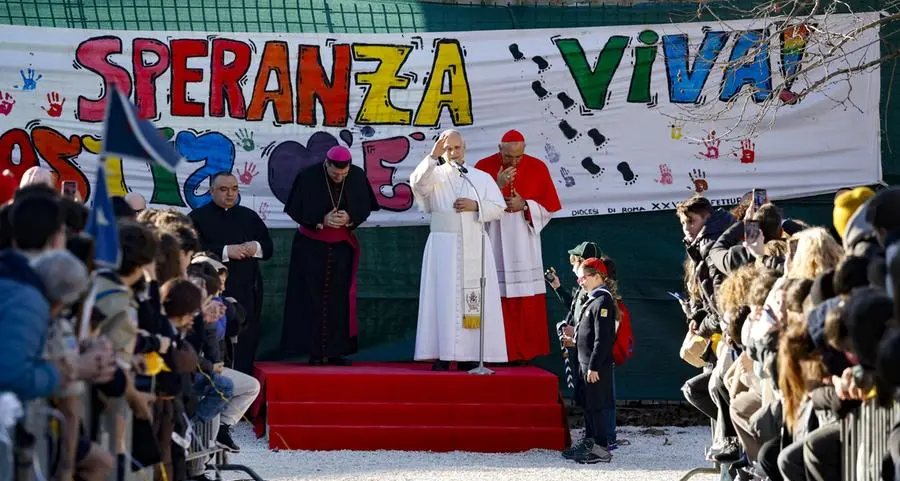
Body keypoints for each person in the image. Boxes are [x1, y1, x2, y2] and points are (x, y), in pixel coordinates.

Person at [410, 129, 508, 371]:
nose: (453, 153)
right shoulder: (434, 174)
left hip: (474, 241)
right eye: (448, 149)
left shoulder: (480, 177)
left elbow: (499, 208)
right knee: (442, 297)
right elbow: (418, 185)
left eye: (457, 148)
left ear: (465, 148)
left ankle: (470, 354)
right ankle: (443, 354)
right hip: (443, 246)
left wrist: (476, 205)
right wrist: (433, 157)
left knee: (471, 300)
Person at [280, 146, 380, 366]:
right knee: (310, 297)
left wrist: (350, 217)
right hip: (311, 246)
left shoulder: (355, 176)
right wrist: (320, 219)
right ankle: (314, 351)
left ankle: (336, 351)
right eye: (335, 173)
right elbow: (295, 208)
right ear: (327, 164)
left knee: (339, 298)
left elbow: (364, 205)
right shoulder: (308, 177)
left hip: (342, 246)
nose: (339, 177)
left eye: (343, 174)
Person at [475, 130, 561, 364]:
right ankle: (490, 352)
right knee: (493, 294)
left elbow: (550, 208)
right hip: (493, 236)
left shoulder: (538, 167)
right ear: (499, 148)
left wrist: (525, 205)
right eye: (509, 157)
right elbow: (471, 204)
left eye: (519, 157)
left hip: (524, 240)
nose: (514, 162)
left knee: (524, 299)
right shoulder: (483, 166)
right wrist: (496, 185)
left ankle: (523, 352)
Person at [189, 172, 273, 375]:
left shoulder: (249, 216)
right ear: (211, 191)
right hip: (211, 294)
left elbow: (268, 249)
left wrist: (256, 247)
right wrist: (226, 251)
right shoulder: (197, 218)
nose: (230, 194)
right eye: (224, 189)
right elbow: (192, 250)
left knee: (244, 344)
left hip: (246, 291)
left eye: (234, 189)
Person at [570, 257, 617, 464]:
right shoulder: (592, 299)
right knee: (588, 405)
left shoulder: (603, 301)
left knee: (596, 407)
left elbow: (603, 338)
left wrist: (594, 366)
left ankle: (601, 448)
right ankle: (590, 442)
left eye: (584, 277)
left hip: (594, 367)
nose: (580, 281)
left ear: (598, 277)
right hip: (584, 364)